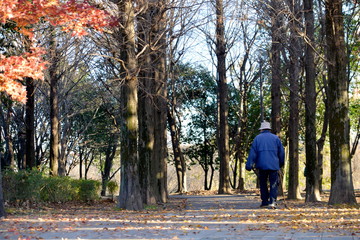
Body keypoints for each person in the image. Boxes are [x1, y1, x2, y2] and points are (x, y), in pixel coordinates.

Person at [246, 121, 285, 208]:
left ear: (261, 130)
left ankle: (264, 201)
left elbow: (253, 153)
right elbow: (281, 152)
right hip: (274, 165)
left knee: (263, 183)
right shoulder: (276, 138)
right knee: (273, 183)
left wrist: (249, 164)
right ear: (269, 129)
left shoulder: (257, 139)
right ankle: (272, 201)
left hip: (261, 165)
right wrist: (281, 163)